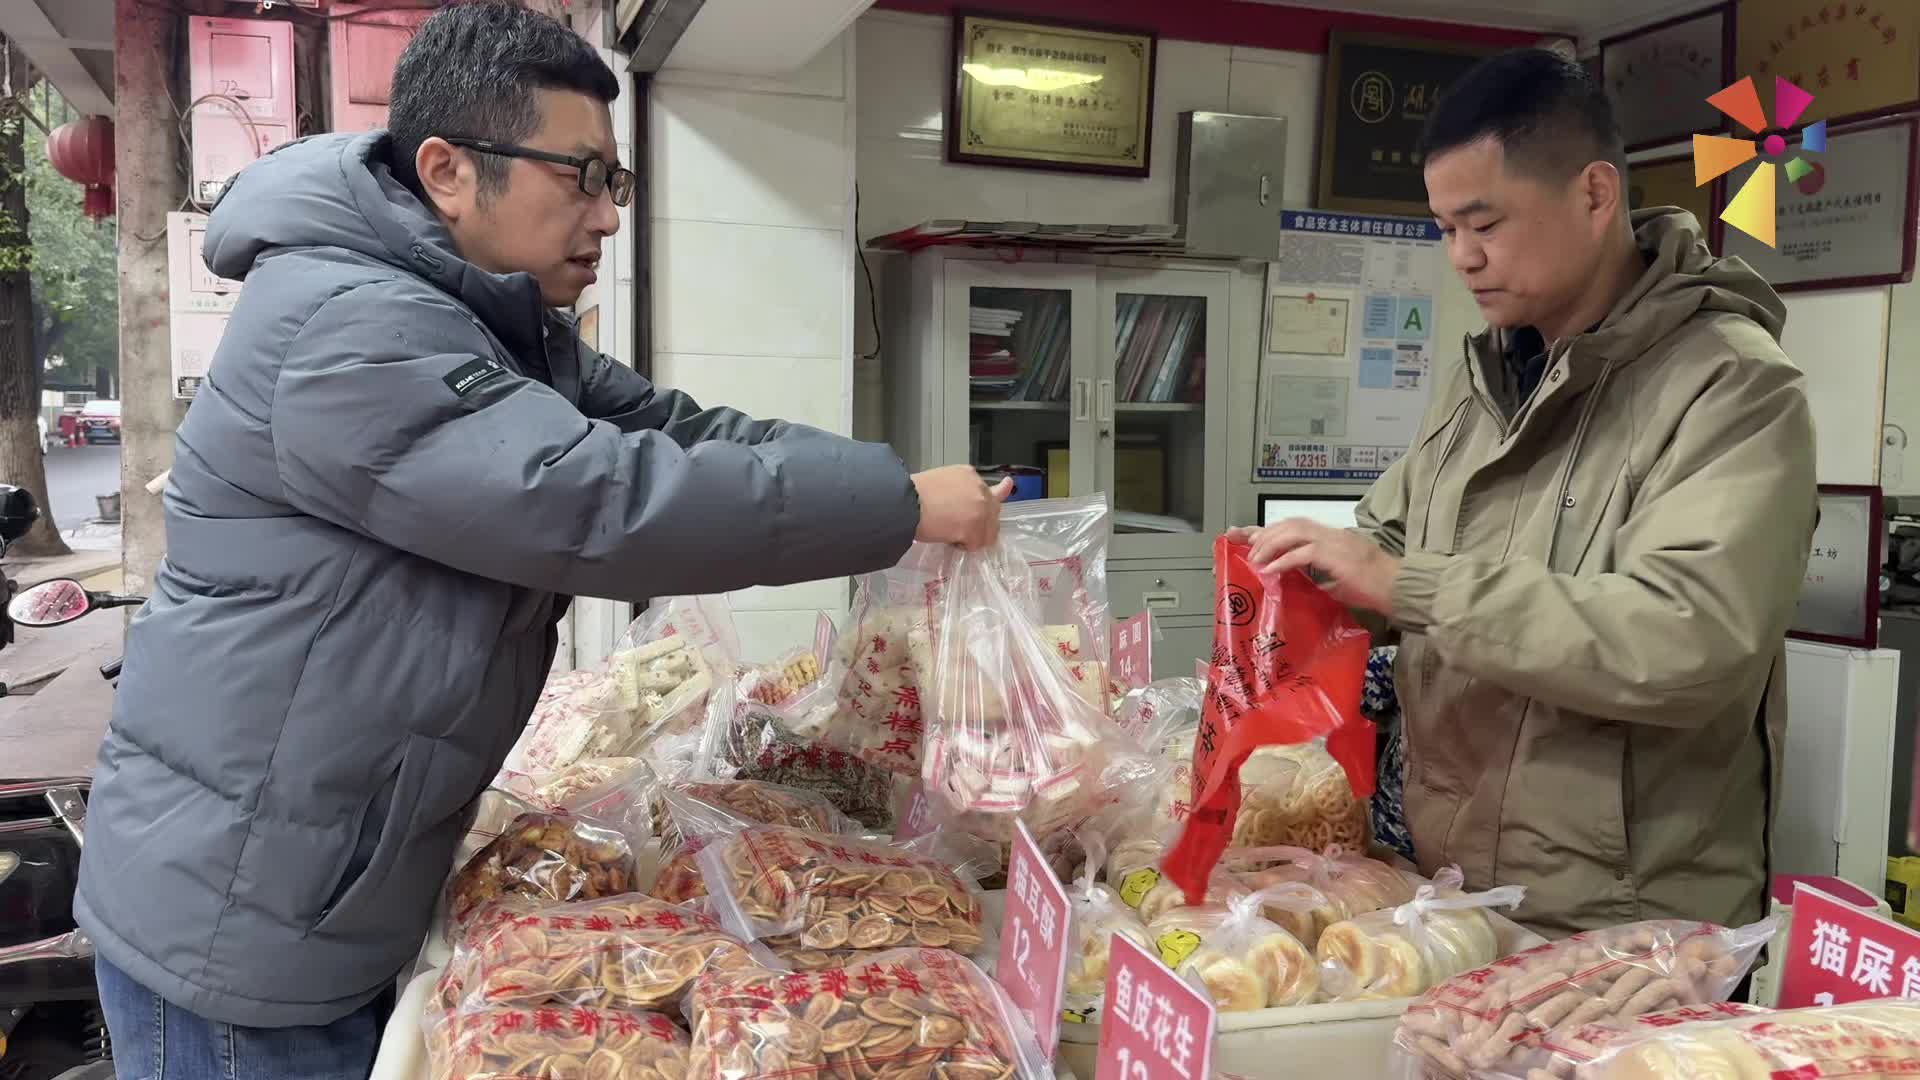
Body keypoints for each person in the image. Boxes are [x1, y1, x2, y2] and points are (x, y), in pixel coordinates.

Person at [74, 4, 1004, 1076]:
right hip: (241, 924)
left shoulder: (483, 323)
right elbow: (595, 504)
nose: (607, 217)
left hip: (319, 879)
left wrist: (892, 482)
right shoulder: (348, 326)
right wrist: (895, 511)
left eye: (617, 183)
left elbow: (676, 432)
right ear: (448, 170)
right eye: (581, 176)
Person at [1240, 49, 1815, 936]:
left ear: (1594, 194)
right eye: (1444, 230)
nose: (1464, 259)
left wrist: (1404, 586)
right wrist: (1292, 586)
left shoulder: (1731, 385)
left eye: (1486, 223)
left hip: (1624, 922)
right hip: (1456, 884)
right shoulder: (1487, 374)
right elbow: (1385, 547)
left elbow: (1690, 639)